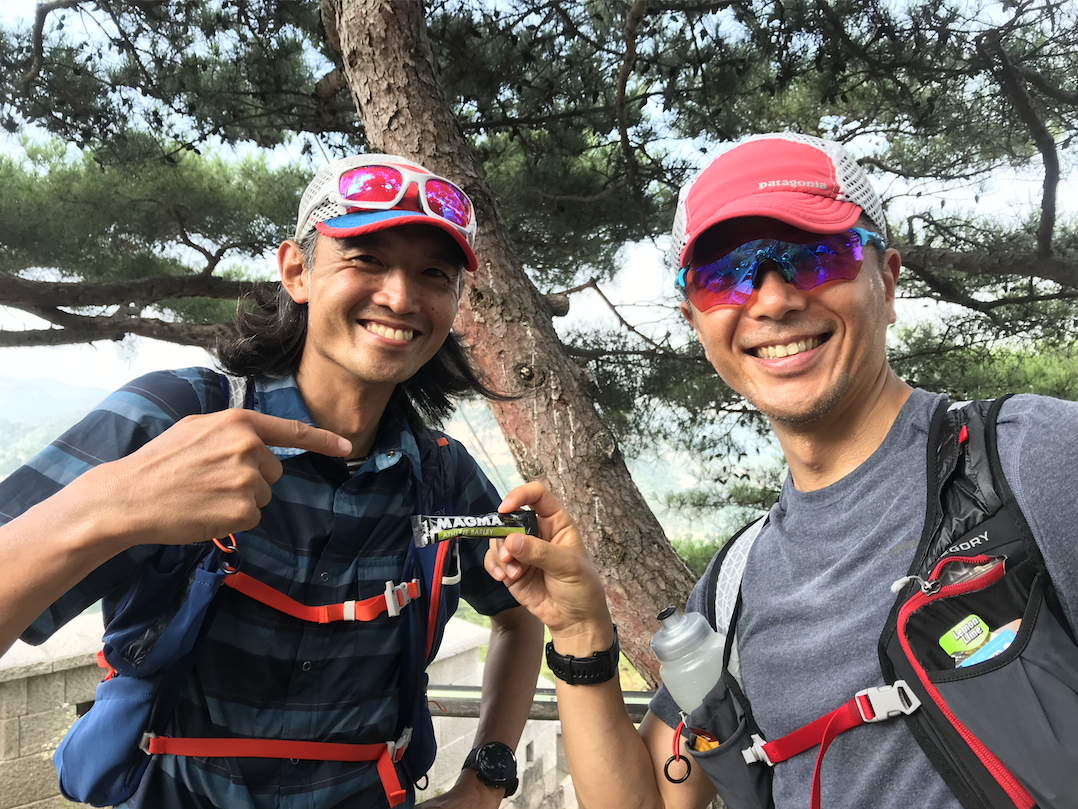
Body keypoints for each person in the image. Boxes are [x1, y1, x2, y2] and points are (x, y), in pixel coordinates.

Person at [484, 133, 1078, 809]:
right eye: (724, 275)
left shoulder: (1032, 461)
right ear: (694, 320)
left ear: (887, 282)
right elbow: (647, 801)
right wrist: (579, 632)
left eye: (815, 255)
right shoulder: (734, 585)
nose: (771, 301)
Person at [0, 153, 543, 809]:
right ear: (296, 271)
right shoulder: (176, 419)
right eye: (366, 259)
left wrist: (485, 784)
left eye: (434, 274)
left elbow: (521, 612)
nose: (400, 297)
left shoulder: (441, 474)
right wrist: (112, 505)